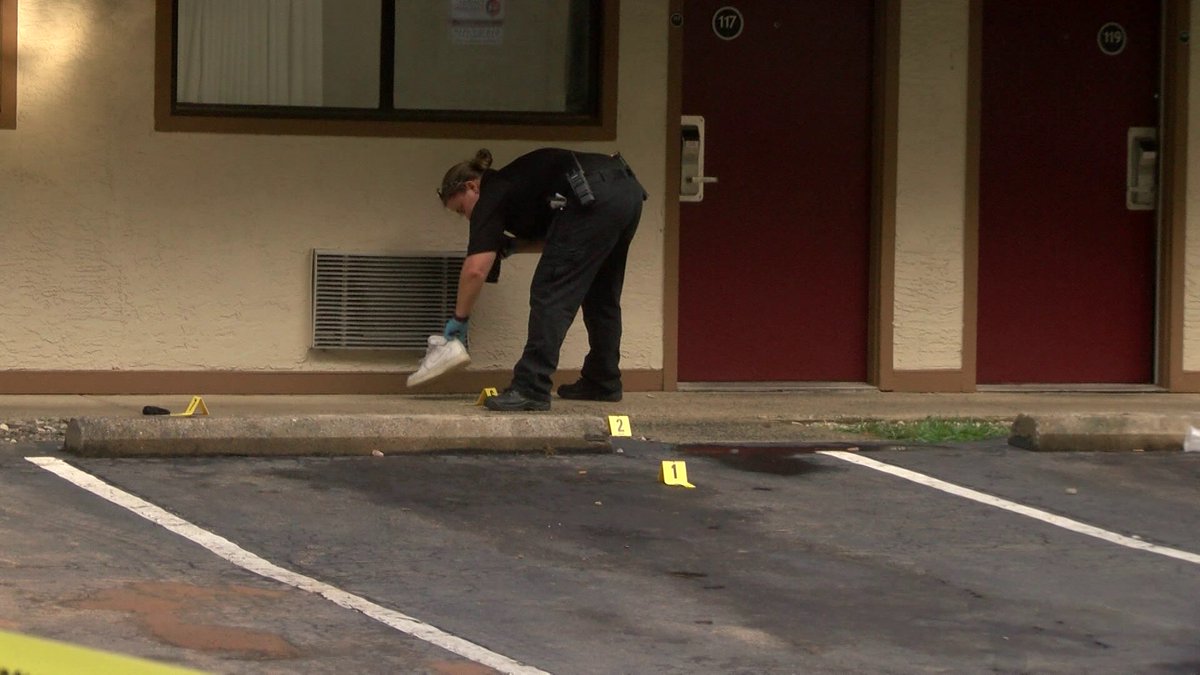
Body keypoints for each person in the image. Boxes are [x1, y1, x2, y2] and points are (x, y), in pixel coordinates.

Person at [437, 148, 645, 411]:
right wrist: (514, 247)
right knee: (601, 294)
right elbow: (561, 240)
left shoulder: (493, 191)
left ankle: (531, 388)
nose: (466, 216)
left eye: (460, 209)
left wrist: (460, 318)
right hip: (625, 191)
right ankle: (603, 381)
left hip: (592, 193)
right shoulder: (519, 185)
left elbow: (475, 269)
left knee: (550, 293)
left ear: (471, 186)